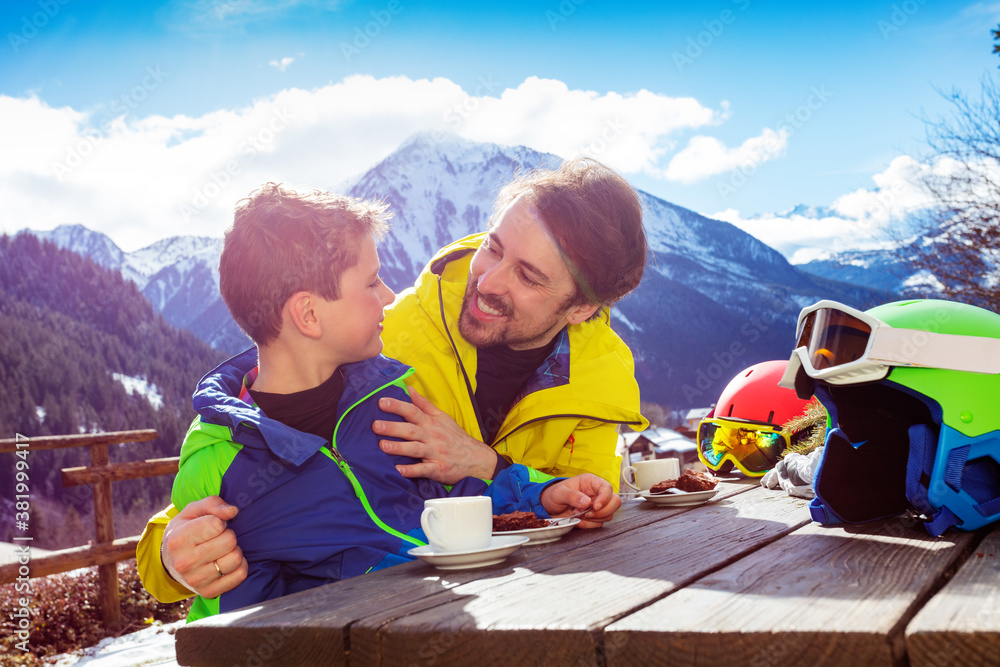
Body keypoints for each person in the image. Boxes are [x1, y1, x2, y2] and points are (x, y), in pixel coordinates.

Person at [137, 158, 648, 603]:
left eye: (529, 276)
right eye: (492, 248)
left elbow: (581, 525)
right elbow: (229, 488)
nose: (488, 281)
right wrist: (169, 558)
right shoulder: (381, 344)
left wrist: (492, 467)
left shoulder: (598, 382)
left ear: (580, 308)